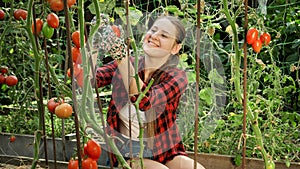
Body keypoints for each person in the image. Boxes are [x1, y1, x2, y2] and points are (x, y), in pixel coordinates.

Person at [92, 15, 205, 169]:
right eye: (153, 30)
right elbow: (90, 79)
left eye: (164, 35)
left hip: (164, 150)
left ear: (175, 48)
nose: (154, 36)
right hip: (129, 152)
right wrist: (93, 43)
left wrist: (121, 57)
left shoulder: (177, 76)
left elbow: (145, 100)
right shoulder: (128, 63)